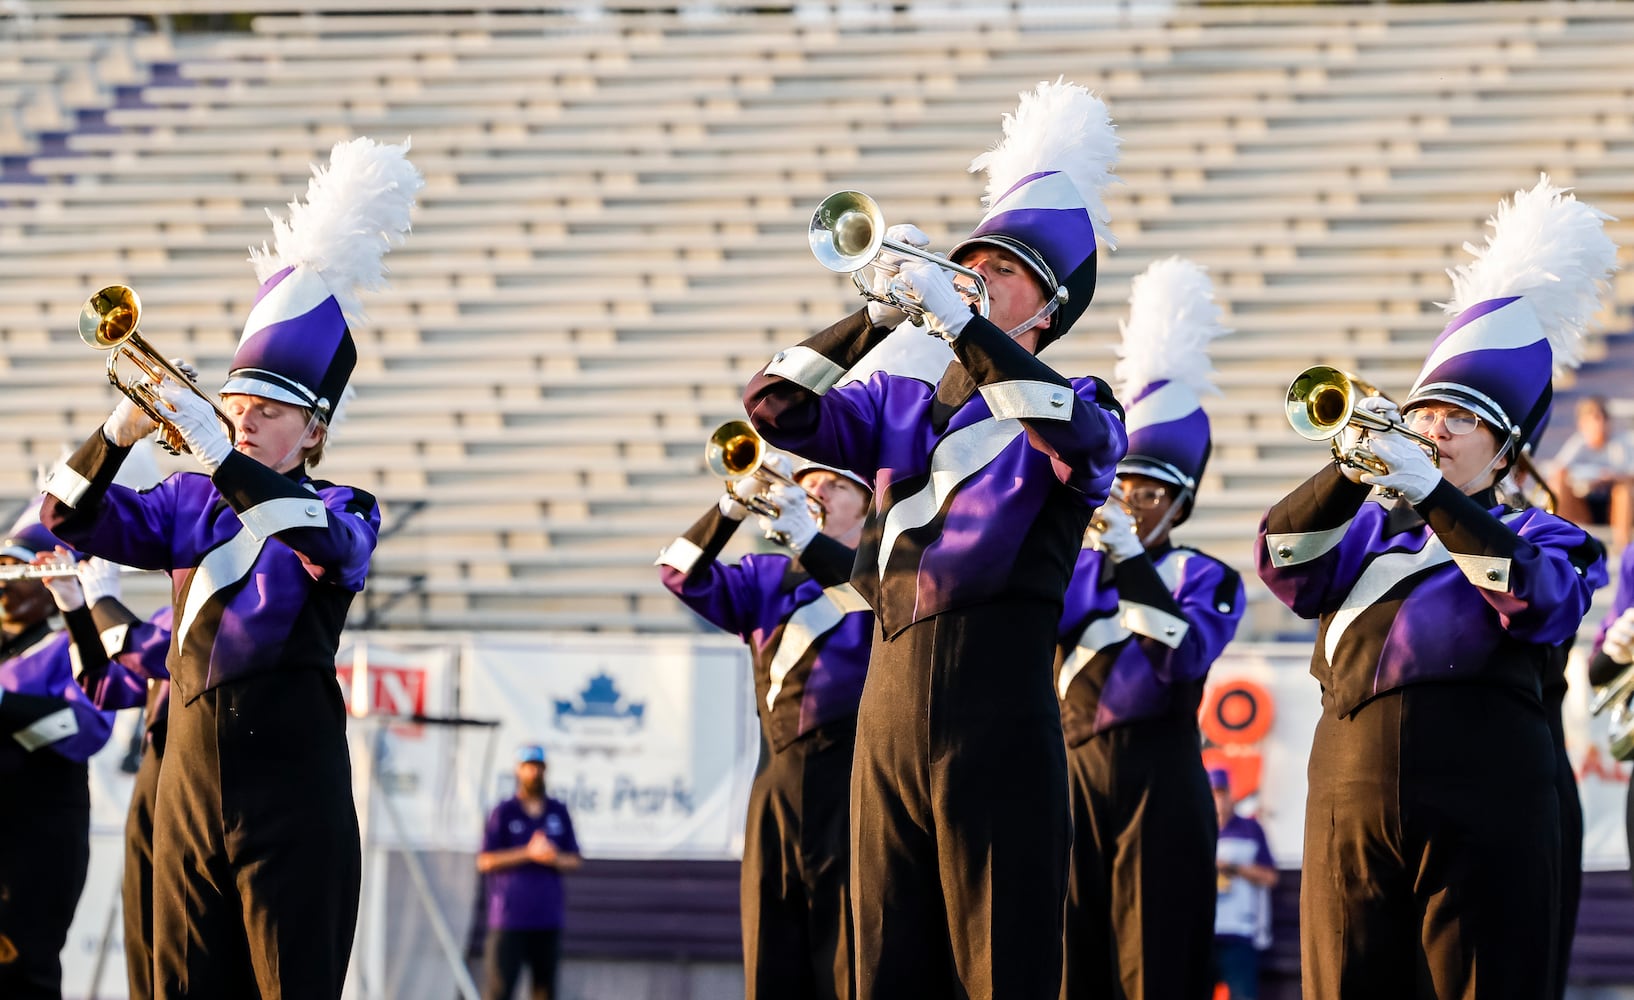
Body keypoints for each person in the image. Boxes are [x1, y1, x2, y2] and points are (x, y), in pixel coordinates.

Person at [745, 80, 1126, 998]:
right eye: (972, 263)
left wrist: (961, 321)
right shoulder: (899, 403)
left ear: (1049, 307)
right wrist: (872, 317)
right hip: (886, 704)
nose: (975, 275)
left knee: (1004, 967)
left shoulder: (1081, 403)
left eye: (1003, 269)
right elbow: (772, 406)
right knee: (882, 968)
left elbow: (1080, 442)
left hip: (995, 705)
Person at [40, 136, 420, 1000]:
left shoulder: (347, 505)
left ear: (316, 431)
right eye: (236, 404)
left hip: (293, 784)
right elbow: (67, 515)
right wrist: (118, 433)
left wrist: (218, 454)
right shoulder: (186, 504)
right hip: (184, 788)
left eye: (269, 410)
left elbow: (315, 538)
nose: (242, 419)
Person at [1255, 175, 1616, 998]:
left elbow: (1535, 598)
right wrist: (1348, 470)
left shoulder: (1543, 531)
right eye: (1425, 413)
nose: (1436, 428)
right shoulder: (1368, 534)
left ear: (1508, 449)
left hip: (1487, 797)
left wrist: (1432, 493)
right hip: (1346, 796)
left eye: (1461, 418)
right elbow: (1282, 560)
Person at [1057, 257, 1244, 1000]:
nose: (1130, 502)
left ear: (1181, 503)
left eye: (1149, 492)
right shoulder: (1071, 566)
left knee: (1156, 962)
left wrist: (1132, 562)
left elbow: (1182, 655)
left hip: (1160, 776)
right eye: (1123, 486)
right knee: (1069, 965)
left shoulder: (1205, 574)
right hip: (1070, 771)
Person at [657, 457, 873, 1000]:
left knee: (847, 949)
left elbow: (878, 606)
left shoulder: (888, 572)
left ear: (868, 504)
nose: (815, 489)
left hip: (851, 780)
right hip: (775, 779)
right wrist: (730, 506)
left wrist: (809, 543)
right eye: (807, 481)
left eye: (835, 483)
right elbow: (678, 572)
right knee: (769, 944)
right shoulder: (764, 578)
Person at [0, 505, 116, 1000]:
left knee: (22, 970)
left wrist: (6, 707)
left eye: (20, 567)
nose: (5, 579)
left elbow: (88, 726)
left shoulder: (69, 645)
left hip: (37, 835)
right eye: (1, 565)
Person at [61, 552, 173, 1000]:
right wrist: (74, 605)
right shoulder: (170, 615)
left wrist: (105, 602)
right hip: (158, 776)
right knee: (146, 935)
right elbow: (103, 685)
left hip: (214, 778)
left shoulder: (246, 607)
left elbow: (158, 656)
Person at [476, 744, 583, 1000]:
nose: (533, 773)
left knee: (544, 992)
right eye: (528, 767)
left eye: (538, 767)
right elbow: (485, 861)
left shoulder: (557, 811)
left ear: (545, 771)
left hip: (547, 920)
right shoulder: (504, 812)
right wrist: (528, 853)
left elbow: (575, 859)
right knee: (499, 991)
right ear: (518, 770)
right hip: (509, 920)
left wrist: (553, 857)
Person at [1210, 768, 1276, 1000]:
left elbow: (1270, 877)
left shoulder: (1251, 829)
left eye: (1221, 792)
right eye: (1213, 793)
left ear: (1230, 794)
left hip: (1240, 934)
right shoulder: (1197, 829)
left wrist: (1233, 867)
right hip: (1204, 934)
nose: (1218, 799)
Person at [1546, 396, 1634, 549]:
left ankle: (1623, 547)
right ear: (1582, 424)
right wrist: (1579, 481)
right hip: (1586, 504)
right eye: (1594, 420)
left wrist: (1610, 478)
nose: (1599, 425)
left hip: (1614, 508)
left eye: (1602, 419)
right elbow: (1556, 471)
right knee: (1557, 484)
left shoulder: (1621, 443)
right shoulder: (1578, 444)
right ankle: (1563, 542)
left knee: (1624, 490)